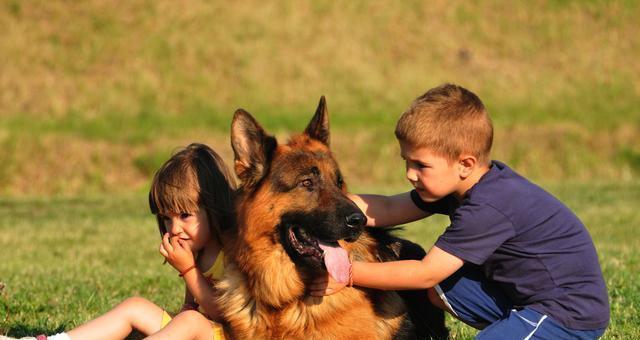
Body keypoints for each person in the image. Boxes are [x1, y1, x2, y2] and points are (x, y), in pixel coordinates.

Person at [311, 84, 610, 339]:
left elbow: (424, 274)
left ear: (465, 164)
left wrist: (349, 273)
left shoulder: (488, 206)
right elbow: (387, 208)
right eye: (407, 161)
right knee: (445, 287)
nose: (410, 174)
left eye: (420, 165)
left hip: (566, 313)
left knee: (432, 276)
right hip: (525, 298)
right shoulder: (459, 185)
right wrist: (326, 203)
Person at [15, 143, 236, 340]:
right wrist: (181, 315)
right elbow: (192, 304)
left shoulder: (233, 252)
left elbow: (225, 314)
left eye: (185, 216)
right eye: (167, 219)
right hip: (197, 330)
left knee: (190, 321)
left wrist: (188, 270)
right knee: (136, 307)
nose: (175, 229)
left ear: (214, 207)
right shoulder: (196, 249)